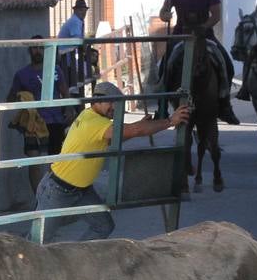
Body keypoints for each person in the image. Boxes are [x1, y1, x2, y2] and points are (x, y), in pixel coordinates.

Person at [33, 80, 189, 242]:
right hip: (58, 190)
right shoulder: (95, 123)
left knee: (104, 226)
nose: (114, 108)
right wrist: (170, 121)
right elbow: (133, 131)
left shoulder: (89, 116)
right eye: (111, 103)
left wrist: (138, 126)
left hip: (81, 190)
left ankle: (76, 257)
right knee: (37, 241)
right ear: (97, 101)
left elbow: (116, 136)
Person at [158, 0, 241, 124]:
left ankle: (225, 105)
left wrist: (204, 27)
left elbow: (216, 14)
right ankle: (162, 105)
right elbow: (163, 12)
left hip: (204, 36)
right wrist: (165, 15)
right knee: (164, 66)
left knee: (226, 62)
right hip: (181, 35)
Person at [7, 36, 69, 190]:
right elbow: (10, 98)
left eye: (41, 48)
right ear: (29, 50)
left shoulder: (55, 70)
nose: (38, 51)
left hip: (55, 120)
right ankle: (38, 199)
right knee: (34, 161)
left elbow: (65, 92)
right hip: (33, 122)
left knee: (54, 161)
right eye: (35, 47)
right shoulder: (22, 74)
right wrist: (21, 97)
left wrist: (69, 108)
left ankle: (52, 196)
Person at [57, 0, 91, 85]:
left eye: (84, 10)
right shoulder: (75, 21)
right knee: (72, 84)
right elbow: (78, 41)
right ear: (75, 10)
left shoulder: (77, 21)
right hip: (66, 59)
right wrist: (85, 48)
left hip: (68, 58)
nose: (83, 13)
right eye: (81, 10)